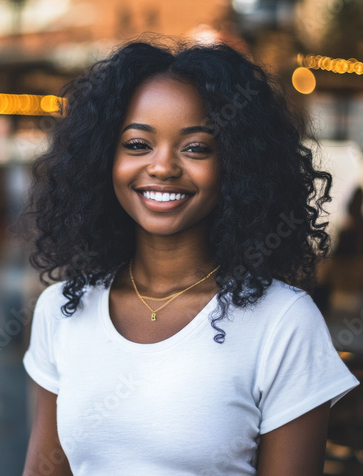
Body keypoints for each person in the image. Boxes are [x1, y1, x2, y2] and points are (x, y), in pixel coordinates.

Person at [20, 35, 359, 476]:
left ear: (236, 164)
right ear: (104, 159)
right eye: (138, 144)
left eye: (196, 147)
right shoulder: (61, 310)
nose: (163, 166)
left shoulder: (283, 322)